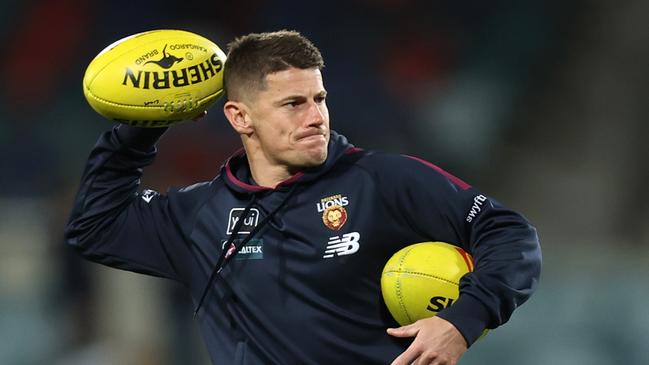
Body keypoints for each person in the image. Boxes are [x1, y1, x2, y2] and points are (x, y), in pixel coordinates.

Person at [65, 30, 541, 365]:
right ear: (239, 117)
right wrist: (140, 128)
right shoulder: (199, 216)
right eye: (294, 104)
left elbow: (509, 233)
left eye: (320, 99)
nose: (315, 116)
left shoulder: (383, 180)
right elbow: (95, 227)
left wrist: (463, 320)